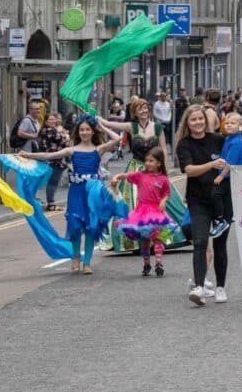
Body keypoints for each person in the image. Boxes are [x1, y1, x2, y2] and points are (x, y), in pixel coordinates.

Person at [19, 116, 122, 274]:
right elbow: (49, 156)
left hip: (92, 192)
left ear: (93, 131)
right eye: (82, 130)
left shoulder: (98, 149)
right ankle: (75, 257)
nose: (85, 132)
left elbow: (117, 138)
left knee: (90, 227)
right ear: (77, 132)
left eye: (88, 129)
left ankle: (87, 262)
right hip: (76, 191)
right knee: (74, 226)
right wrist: (28, 155)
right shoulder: (72, 150)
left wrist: (101, 125)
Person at [99, 98, 177, 252]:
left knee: (162, 201)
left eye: (146, 107)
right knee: (134, 204)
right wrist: (97, 118)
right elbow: (110, 124)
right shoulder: (131, 126)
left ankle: (161, 237)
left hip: (155, 171)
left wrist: (165, 171)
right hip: (136, 171)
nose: (144, 111)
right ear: (134, 112)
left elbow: (163, 150)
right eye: (140, 108)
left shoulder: (158, 127)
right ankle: (134, 240)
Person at [175, 104, 229, 305]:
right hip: (198, 200)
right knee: (200, 242)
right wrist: (211, 165)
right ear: (187, 123)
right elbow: (189, 170)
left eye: (200, 119)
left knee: (221, 245)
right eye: (193, 119)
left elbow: (235, 156)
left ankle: (221, 287)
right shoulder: (184, 145)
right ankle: (198, 287)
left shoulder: (218, 140)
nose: (198, 123)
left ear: (206, 122)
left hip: (222, 200)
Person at [109, 147, 182, 277]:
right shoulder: (139, 175)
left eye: (151, 160)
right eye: (146, 160)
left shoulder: (163, 179)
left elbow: (166, 193)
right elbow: (124, 176)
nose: (147, 163)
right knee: (145, 239)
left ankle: (158, 262)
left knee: (159, 237)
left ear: (159, 163)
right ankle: (146, 264)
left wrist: (164, 201)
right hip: (141, 212)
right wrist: (115, 177)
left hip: (156, 211)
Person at [210, 112, 242, 238]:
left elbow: (230, 162)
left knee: (215, 194)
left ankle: (221, 221)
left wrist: (220, 176)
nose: (229, 125)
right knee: (225, 201)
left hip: (229, 176)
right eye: (227, 123)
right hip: (226, 176)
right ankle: (224, 220)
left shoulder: (236, 142)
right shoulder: (229, 138)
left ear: (240, 126)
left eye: (233, 123)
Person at [37, 112, 70, 212]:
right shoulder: (49, 131)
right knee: (53, 183)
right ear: (46, 121)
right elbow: (62, 140)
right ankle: (51, 204)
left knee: (52, 182)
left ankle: (51, 203)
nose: (53, 121)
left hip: (53, 159)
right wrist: (66, 136)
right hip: (54, 160)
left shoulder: (45, 131)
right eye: (50, 120)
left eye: (54, 119)